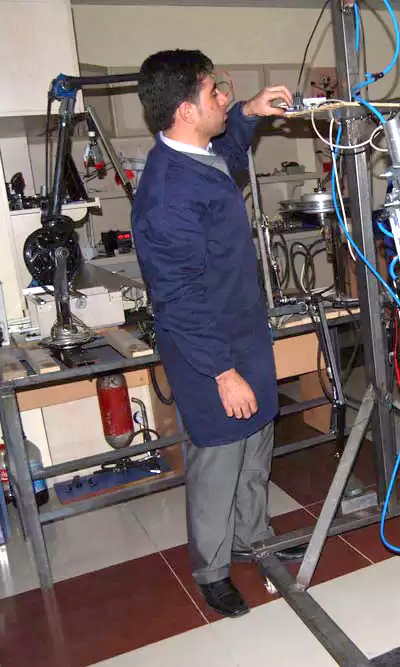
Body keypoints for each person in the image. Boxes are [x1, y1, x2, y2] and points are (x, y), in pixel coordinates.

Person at [131, 49, 303, 618]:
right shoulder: (167, 194)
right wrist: (223, 373)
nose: (224, 97)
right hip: (207, 350)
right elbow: (178, 298)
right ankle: (212, 570)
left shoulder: (197, 155)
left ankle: (255, 539)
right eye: (215, 93)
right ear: (185, 110)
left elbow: (227, 157)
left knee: (255, 443)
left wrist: (249, 111)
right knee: (219, 459)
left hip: (243, 330)